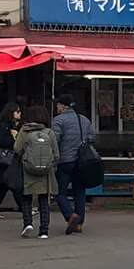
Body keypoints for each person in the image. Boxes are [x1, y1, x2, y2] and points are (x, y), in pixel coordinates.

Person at [51, 92, 96, 236]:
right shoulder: (84, 120)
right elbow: (92, 138)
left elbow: (55, 140)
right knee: (79, 191)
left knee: (59, 191)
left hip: (65, 161)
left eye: (58, 105)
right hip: (83, 161)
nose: (57, 107)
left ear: (62, 106)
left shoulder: (58, 120)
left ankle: (70, 215)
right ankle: (79, 224)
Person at [15, 106, 58, 239]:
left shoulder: (24, 130)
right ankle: (44, 230)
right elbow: (56, 154)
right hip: (45, 172)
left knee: (26, 198)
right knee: (44, 200)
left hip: (28, 170)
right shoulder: (49, 132)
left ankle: (28, 223)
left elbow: (17, 149)